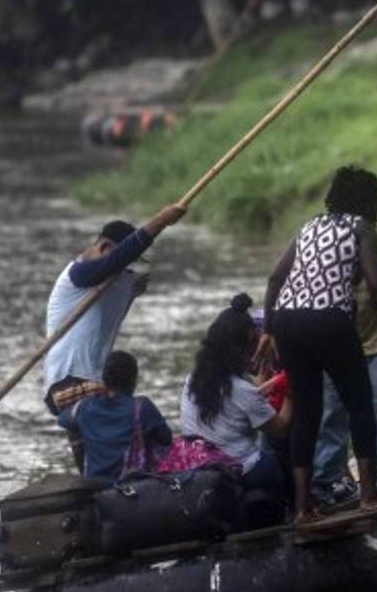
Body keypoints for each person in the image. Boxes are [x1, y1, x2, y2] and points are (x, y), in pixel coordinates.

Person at [259, 165, 377, 523]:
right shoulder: (362, 227)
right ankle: (370, 494)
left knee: (307, 414)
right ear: (369, 201)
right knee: (360, 405)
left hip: (288, 321)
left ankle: (301, 508)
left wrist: (268, 329)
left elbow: (274, 278)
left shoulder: (310, 226)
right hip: (329, 320)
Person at [43, 201, 185, 468]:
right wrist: (160, 220)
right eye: (119, 262)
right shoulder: (77, 275)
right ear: (105, 248)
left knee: (98, 460)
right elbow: (118, 259)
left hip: (92, 382)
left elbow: (128, 272)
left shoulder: (116, 281)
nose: (121, 270)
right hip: (68, 384)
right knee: (131, 414)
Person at [312, 216, 377, 506]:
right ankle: (326, 480)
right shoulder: (325, 279)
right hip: (336, 350)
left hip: (376, 344)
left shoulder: (374, 274)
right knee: (333, 412)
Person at [181, 294, 293, 514]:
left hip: (198, 467)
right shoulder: (241, 390)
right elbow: (279, 429)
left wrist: (263, 379)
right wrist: (291, 395)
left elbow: (243, 404)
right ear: (241, 350)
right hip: (237, 469)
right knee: (274, 456)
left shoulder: (192, 380)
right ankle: (296, 507)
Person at [58, 350, 173, 481]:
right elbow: (166, 439)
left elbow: (63, 420)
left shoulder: (86, 407)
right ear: (133, 381)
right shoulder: (142, 407)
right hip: (133, 489)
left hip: (94, 488)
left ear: (104, 380)